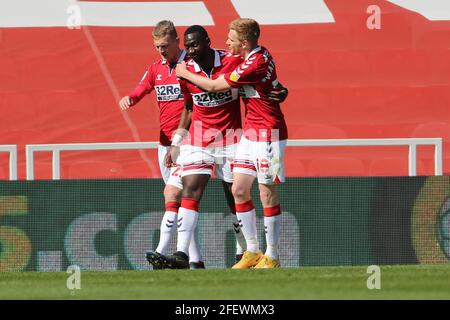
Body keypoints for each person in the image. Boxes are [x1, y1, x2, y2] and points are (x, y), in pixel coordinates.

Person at [148, 24, 288, 269]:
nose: (190, 50)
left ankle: (262, 253)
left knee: (255, 192)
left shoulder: (236, 61)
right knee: (220, 190)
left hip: (253, 135)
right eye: (188, 45)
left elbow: (216, 86)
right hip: (220, 137)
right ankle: (191, 255)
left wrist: (280, 91)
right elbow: (189, 107)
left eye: (231, 39)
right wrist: (178, 141)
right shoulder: (253, 56)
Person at [119, 21, 246, 269]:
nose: (161, 51)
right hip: (177, 142)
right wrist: (131, 98)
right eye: (157, 47)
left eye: (165, 45)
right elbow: (149, 90)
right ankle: (187, 257)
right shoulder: (160, 69)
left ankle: (243, 250)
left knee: (232, 195)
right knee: (180, 193)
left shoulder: (201, 64)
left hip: (217, 139)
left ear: (178, 41)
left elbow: (238, 87)